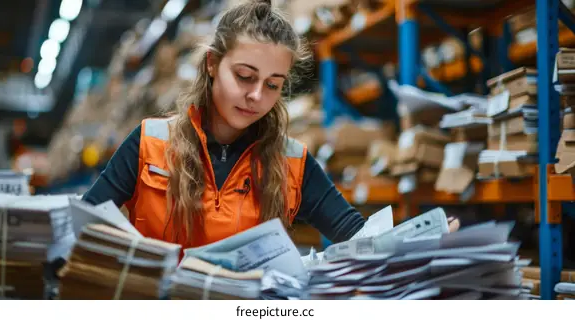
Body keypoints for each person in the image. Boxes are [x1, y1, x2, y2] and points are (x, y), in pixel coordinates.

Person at [82, 0, 458, 250]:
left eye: (273, 84)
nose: (257, 96)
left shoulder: (291, 162)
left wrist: (420, 244)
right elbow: (83, 228)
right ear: (212, 64)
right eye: (245, 77)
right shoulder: (150, 142)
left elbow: (359, 239)